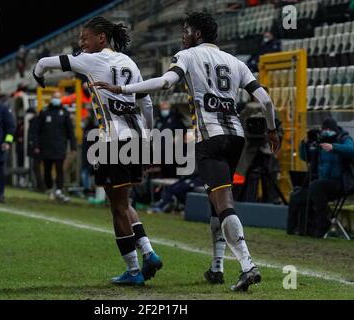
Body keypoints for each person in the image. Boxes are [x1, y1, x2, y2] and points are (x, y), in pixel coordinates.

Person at [92, 12, 280, 292]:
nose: (183, 35)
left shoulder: (188, 55)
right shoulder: (236, 62)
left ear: (197, 34)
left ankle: (247, 266)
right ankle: (216, 267)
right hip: (236, 137)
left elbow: (165, 83)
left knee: (224, 201)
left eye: (186, 30)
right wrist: (272, 129)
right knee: (215, 201)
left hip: (210, 137)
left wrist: (123, 88)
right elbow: (264, 99)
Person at [33, 16, 162, 286]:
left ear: (100, 38)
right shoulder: (129, 62)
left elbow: (44, 63)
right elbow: (147, 103)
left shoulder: (92, 60)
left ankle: (134, 270)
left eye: (84, 38)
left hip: (112, 141)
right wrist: (148, 136)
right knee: (125, 202)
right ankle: (149, 253)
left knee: (116, 208)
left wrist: (38, 76)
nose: (81, 44)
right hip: (136, 138)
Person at [288, 118, 354, 237]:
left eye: (329, 129)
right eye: (324, 129)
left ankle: (323, 222)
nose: (327, 131)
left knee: (316, 186)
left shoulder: (344, 138)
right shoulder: (320, 141)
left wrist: (334, 147)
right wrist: (305, 143)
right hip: (322, 183)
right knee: (296, 196)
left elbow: (351, 150)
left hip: (341, 182)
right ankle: (294, 229)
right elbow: (306, 157)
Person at [34, 91, 77, 202]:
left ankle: (59, 190)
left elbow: (70, 132)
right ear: (51, 98)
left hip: (60, 147)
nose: (56, 99)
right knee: (47, 170)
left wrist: (73, 146)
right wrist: (36, 145)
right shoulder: (44, 112)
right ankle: (49, 188)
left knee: (59, 169)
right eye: (55, 97)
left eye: (58, 97)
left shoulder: (65, 113)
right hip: (46, 147)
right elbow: (37, 131)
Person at [27, 107, 44, 191]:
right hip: (36, 148)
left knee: (36, 167)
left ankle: (40, 186)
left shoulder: (36, 122)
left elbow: (35, 135)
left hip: (38, 148)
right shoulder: (34, 121)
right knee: (36, 167)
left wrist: (36, 146)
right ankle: (39, 185)